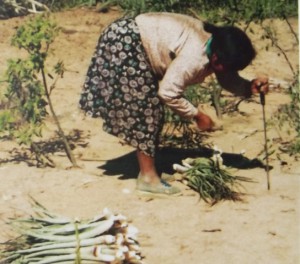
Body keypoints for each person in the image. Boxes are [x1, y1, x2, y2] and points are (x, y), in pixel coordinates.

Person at [79, 12, 269, 196]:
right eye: (230, 67)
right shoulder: (195, 56)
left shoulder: (215, 46)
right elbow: (168, 93)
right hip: (126, 41)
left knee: (148, 107)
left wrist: (248, 87)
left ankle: (149, 171)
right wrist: (196, 115)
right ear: (216, 59)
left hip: (130, 37)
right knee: (148, 110)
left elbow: (226, 76)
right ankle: (148, 178)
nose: (230, 71)